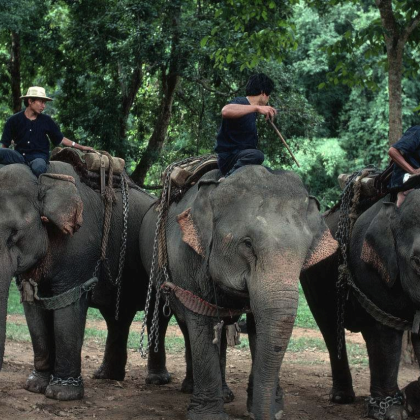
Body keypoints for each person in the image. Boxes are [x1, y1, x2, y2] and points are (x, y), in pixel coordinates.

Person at [0, 86, 94, 177]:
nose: (43, 106)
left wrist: (81, 147)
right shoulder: (13, 120)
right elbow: (4, 144)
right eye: (41, 102)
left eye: (44, 103)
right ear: (30, 101)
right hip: (19, 156)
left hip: (38, 157)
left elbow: (60, 139)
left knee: (39, 167)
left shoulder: (46, 121)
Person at [215, 73, 277, 177]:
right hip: (230, 159)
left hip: (242, 157)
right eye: (268, 95)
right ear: (263, 92)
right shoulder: (241, 101)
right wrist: (257, 108)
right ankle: (228, 178)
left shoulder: (251, 111)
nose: (268, 99)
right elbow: (225, 111)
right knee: (257, 155)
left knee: (268, 172)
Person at [388, 125, 420, 206]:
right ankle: (402, 195)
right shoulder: (417, 131)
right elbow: (393, 151)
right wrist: (413, 171)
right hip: (406, 180)